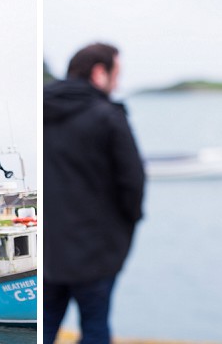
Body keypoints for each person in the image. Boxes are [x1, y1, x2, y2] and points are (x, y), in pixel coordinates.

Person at [43, 42, 146, 344]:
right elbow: (133, 181)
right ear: (100, 73)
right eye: (117, 74)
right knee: (95, 325)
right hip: (96, 249)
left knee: (46, 325)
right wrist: (128, 222)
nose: (118, 83)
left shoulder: (42, 110)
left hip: (49, 247)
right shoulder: (107, 116)